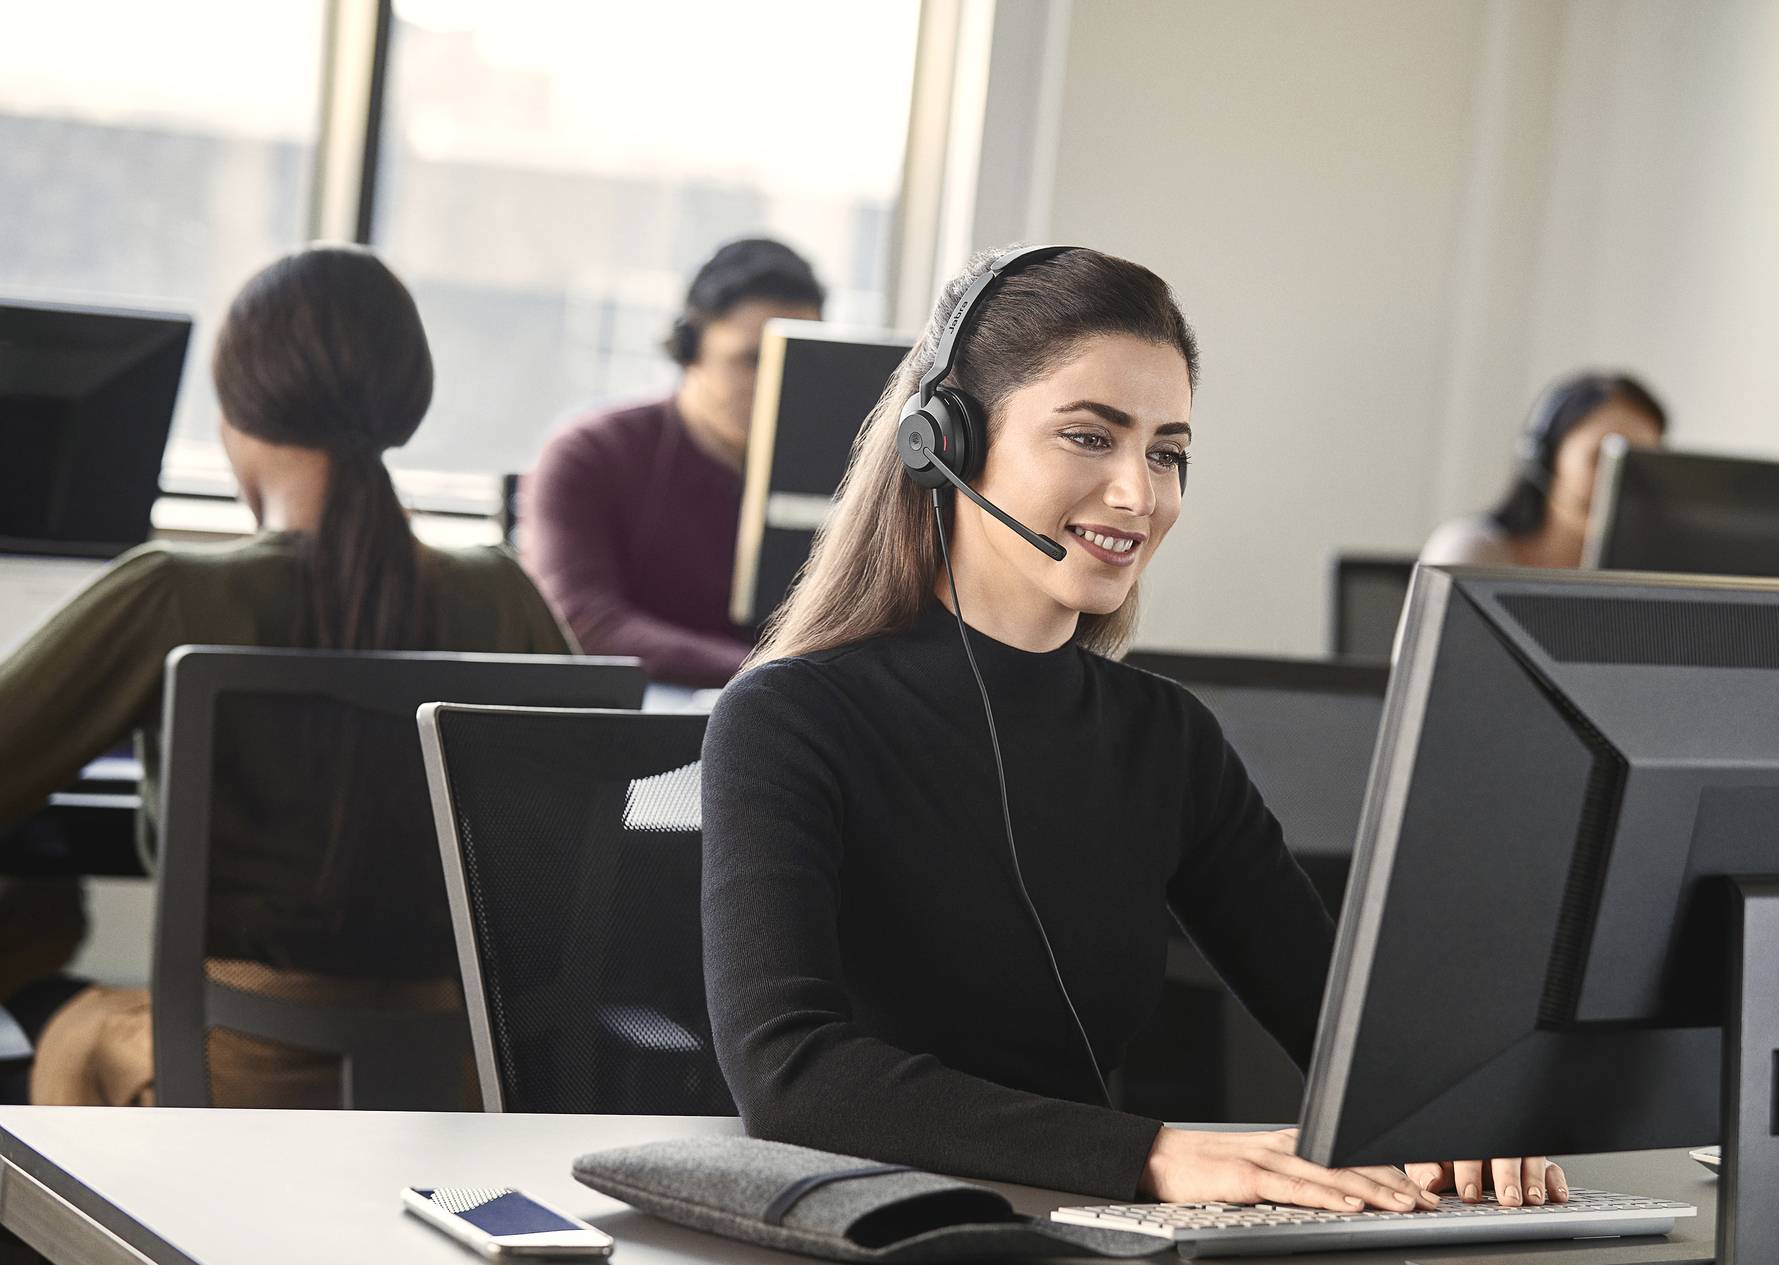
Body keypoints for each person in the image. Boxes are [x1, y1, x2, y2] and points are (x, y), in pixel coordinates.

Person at [702, 245, 1567, 1210]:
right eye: (1089, 437)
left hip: (1079, 1234)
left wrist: (1465, 1116)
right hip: (862, 1233)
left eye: (1166, 453)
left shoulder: (1167, 739)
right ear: (944, 443)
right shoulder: (790, 719)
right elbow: (790, 1072)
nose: (1139, 495)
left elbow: (1341, 1023)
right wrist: (1152, 1156)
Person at [0, 244, 574, 1105]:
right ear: (406, 399)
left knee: (35, 922)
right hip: (456, 1086)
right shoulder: (505, 595)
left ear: (236, 410)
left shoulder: (173, 592)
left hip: (231, 1075)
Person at [521, 237, 826, 688]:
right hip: (653, 712)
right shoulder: (591, 453)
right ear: (688, 348)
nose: (779, 382)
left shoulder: (849, 470)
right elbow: (582, 620)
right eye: (753, 360)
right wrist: (767, 673)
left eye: (798, 360)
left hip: (789, 704)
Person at [1421, 372, 1667, 568]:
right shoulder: (1471, 550)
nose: (1620, 482)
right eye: (1598, 458)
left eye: (1639, 465)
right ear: (1544, 457)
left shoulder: (1650, 570)